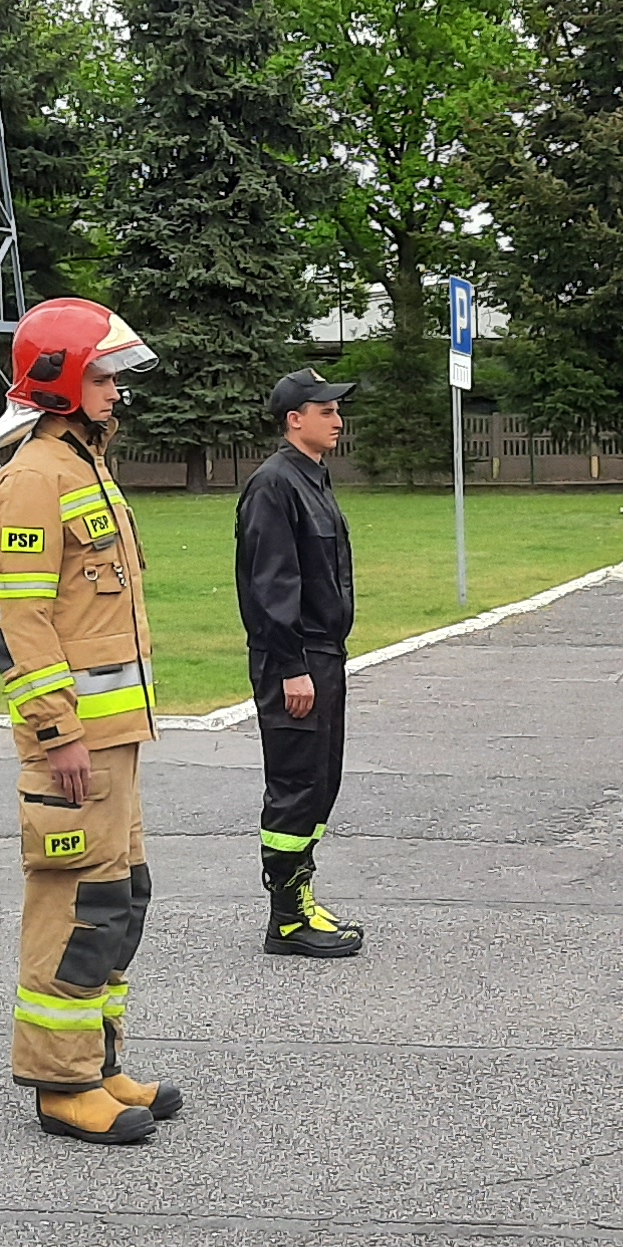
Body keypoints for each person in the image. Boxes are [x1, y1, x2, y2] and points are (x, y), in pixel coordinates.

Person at [0, 295, 181, 1144]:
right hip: (74, 747)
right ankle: (62, 1086)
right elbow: (14, 617)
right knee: (75, 906)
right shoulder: (36, 475)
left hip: (113, 744)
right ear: (60, 381)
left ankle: (99, 1060)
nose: (115, 390)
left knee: (119, 896)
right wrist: (57, 732)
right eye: (101, 375)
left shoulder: (83, 464)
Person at [237, 365, 362, 959]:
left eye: (337, 410)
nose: (337, 420)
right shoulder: (274, 484)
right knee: (294, 782)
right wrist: (291, 667)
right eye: (326, 411)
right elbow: (271, 585)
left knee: (319, 780)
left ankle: (300, 898)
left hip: (322, 654)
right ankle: (286, 920)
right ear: (295, 419)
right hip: (296, 658)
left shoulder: (311, 476)